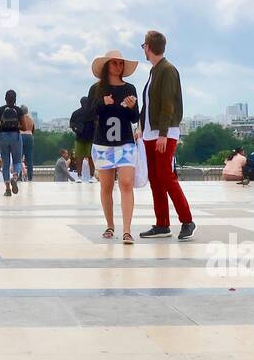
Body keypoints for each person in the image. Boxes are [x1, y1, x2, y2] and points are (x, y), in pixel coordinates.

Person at [136, 31, 195, 240]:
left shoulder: (168, 70)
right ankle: (162, 224)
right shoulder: (155, 71)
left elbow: (168, 103)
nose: (144, 49)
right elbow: (149, 104)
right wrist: (141, 127)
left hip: (165, 132)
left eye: (144, 45)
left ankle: (187, 220)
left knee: (166, 176)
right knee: (156, 178)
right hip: (152, 133)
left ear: (148, 47)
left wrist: (162, 134)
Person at [86, 49, 139, 244]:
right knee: (106, 186)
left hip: (124, 142)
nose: (118, 66)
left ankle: (127, 230)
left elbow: (135, 118)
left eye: (120, 63)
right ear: (107, 65)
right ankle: (110, 224)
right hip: (103, 144)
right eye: (115, 63)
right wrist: (102, 103)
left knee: (126, 183)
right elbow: (89, 114)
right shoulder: (96, 89)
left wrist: (133, 107)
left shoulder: (129, 88)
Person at [0, 89, 25, 195]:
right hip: (15, 137)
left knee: (6, 164)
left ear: (5, 99)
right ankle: (15, 177)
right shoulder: (18, 110)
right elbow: (25, 127)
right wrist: (17, 125)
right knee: (17, 161)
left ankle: (7, 189)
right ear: (15, 99)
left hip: (3, 137)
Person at [69, 94, 97, 183]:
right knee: (91, 158)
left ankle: (79, 176)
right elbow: (97, 123)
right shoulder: (92, 113)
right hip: (91, 138)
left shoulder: (76, 113)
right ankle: (91, 176)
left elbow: (71, 124)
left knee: (79, 158)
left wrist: (76, 130)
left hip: (79, 138)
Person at [19, 105, 36, 182]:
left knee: (19, 158)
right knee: (29, 159)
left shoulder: (19, 119)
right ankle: (30, 177)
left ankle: (19, 176)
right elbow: (33, 130)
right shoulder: (31, 119)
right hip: (30, 136)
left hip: (21, 136)